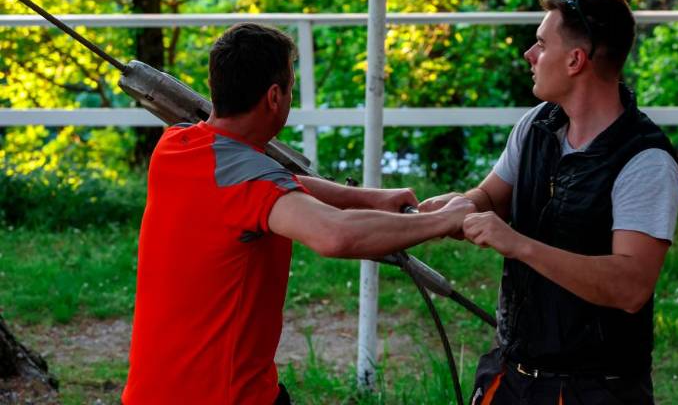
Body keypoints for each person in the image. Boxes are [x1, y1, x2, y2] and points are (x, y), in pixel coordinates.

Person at [121, 23, 475, 405]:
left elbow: (282, 182)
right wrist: (445, 219)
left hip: (147, 393)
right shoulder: (252, 184)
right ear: (275, 96)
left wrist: (370, 199)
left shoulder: (176, 146)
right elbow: (334, 234)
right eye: (291, 87)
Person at [420, 0, 678, 404]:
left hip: (594, 389)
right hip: (511, 374)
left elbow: (630, 287)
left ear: (576, 60)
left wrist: (519, 244)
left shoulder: (646, 160)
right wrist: (464, 204)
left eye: (541, 44)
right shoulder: (537, 125)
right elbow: (492, 195)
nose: (529, 54)